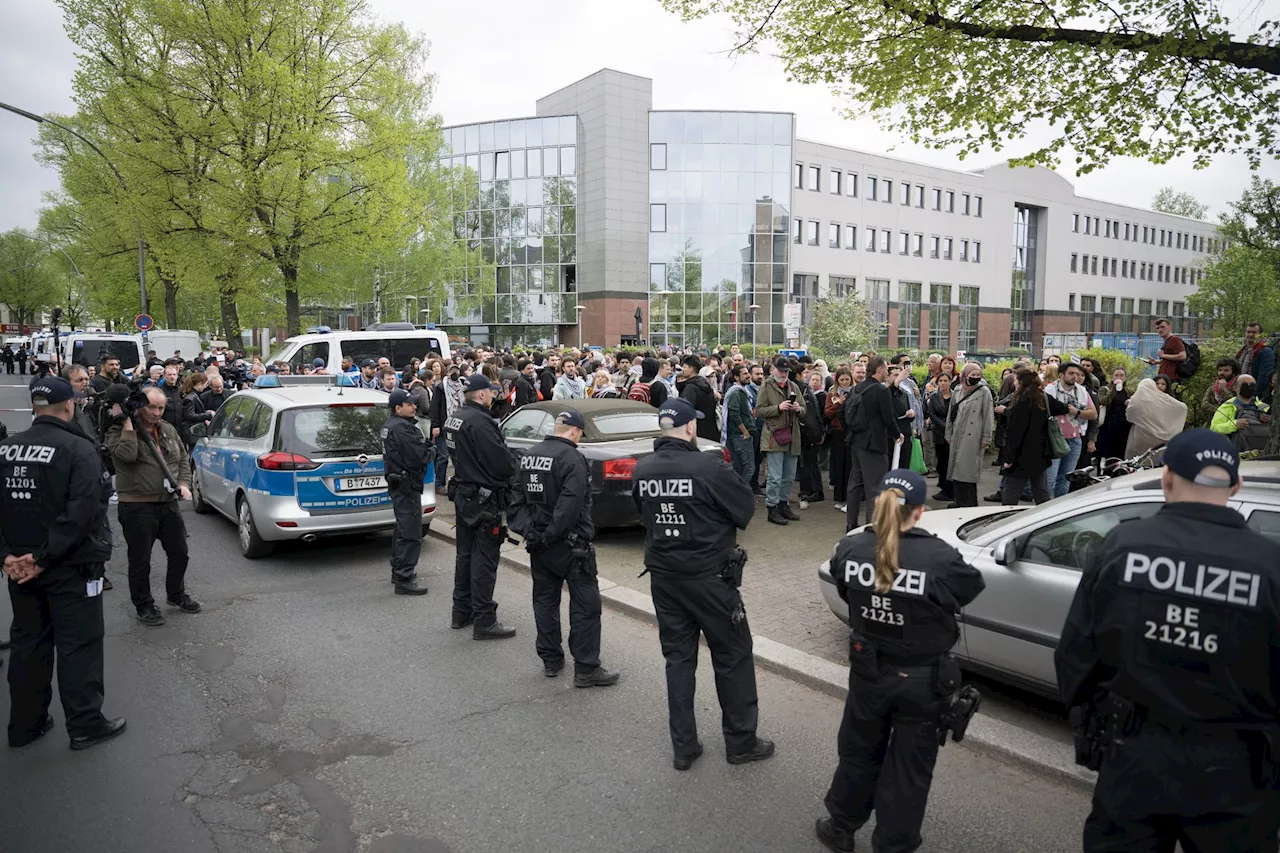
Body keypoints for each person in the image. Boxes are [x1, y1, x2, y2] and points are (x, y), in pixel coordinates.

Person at [1055, 429, 1280, 853]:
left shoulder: (1122, 545)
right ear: (1236, 484)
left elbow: (1075, 656)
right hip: (1238, 768)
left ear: (1167, 477)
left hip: (1135, 751)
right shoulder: (1270, 566)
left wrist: (1094, 729)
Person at [815, 469, 985, 853]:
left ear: (878, 503)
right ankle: (893, 845)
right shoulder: (940, 557)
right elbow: (969, 589)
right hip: (922, 681)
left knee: (859, 753)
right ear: (920, 511)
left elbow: (844, 589)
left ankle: (840, 827)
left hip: (869, 671)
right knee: (909, 770)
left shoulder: (853, 547)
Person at [631, 398, 772, 770]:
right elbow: (744, 509)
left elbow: (641, 515)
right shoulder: (709, 467)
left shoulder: (642, 469)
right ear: (690, 428)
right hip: (710, 580)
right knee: (733, 655)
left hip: (664, 578)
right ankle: (741, 742)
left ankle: (684, 746)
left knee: (678, 660)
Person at [2, 377, 127, 750]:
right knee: (79, 646)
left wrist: (9, 557)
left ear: (33, 407)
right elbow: (85, 511)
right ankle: (86, 724)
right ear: (70, 405)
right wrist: (43, 558)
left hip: (21, 570)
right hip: (71, 567)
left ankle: (25, 724)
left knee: (28, 644)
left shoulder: (6, 449)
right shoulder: (78, 449)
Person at [507, 410, 620, 687]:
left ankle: (551, 659)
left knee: (545, 602)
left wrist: (531, 532)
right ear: (574, 431)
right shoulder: (573, 458)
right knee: (586, 606)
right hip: (571, 546)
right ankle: (586, 667)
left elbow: (516, 501)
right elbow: (570, 505)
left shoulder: (530, 455)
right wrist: (550, 534)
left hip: (539, 545)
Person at [106, 387, 197, 627]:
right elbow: (126, 455)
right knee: (140, 560)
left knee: (179, 552)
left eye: (161, 407)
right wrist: (128, 424)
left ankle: (176, 594)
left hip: (167, 503)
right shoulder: (118, 431)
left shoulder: (167, 429)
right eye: (152, 407)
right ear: (138, 407)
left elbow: (182, 459)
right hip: (136, 506)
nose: (157, 413)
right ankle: (144, 605)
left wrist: (184, 483)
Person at [443, 374, 518, 638]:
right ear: (482, 394)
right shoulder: (480, 422)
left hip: (465, 495)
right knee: (484, 560)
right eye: (492, 391)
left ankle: (461, 611)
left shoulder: (456, 417)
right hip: (484, 499)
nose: (495, 395)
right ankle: (485, 620)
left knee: (465, 556)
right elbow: (502, 463)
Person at [382, 388, 431, 596]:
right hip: (406, 484)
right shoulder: (401, 428)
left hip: (400, 483)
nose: (414, 407)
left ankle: (398, 569)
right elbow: (419, 457)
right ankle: (404, 576)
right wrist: (431, 449)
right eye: (409, 404)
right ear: (397, 408)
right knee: (411, 532)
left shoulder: (393, 425)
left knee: (402, 530)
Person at [845, 356, 900, 531]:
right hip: (874, 444)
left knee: (855, 484)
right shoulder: (881, 390)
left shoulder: (857, 388)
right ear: (880, 370)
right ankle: (873, 526)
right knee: (875, 487)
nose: (886, 373)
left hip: (856, 441)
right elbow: (888, 418)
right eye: (886, 369)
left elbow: (843, 413)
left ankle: (851, 524)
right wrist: (898, 434)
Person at [1000, 369, 1069, 505]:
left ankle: (1006, 520)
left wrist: (1009, 458)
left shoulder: (1021, 401)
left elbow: (1016, 432)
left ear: (1021, 381)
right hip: (1040, 452)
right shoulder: (1043, 397)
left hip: (1022, 454)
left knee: (1011, 491)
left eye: (1015, 379)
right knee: (1041, 491)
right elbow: (1063, 408)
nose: (1014, 382)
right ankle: (1046, 519)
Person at [758, 357, 806, 526]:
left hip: (792, 436)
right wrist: (778, 408)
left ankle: (783, 504)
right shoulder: (766, 385)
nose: (784, 374)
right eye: (781, 371)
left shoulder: (793, 386)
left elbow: (804, 408)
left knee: (788, 476)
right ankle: (772, 508)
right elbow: (759, 411)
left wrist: (797, 409)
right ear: (774, 370)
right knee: (775, 477)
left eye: (786, 371)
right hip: (774, 435)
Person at [1045, 362, 1097, 498]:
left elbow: (1093, 414)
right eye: (1071, 373)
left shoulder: (1082, 391)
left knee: (1066, 478)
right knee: (1049, 479)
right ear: (1061, 375)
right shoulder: (1050, 390)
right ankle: (1046, 512)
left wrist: (1078, 412)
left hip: (1075, 440)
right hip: (1055, 440)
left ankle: (1059, 510)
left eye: (1077, 373)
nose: (1075, 376)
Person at [945, 362, 993, 508]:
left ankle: (969, 502)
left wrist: (986, 437)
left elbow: (988, 416)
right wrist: (948, 432)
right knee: (956, 468)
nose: (975, 378)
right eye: (973, 375)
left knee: (968, 471)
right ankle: (959, 499)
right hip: (957, 433)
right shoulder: (958, 389)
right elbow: (951, 414)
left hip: (973, 436)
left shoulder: (984, 392)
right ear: (965, 375)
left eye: (978, 375)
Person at [1124, 378, 1187, 457]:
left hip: (1141, 439)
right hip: (1154, 441)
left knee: (1136, 462)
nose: (1159, 386)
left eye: (1163, 384)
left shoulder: (1167, 399)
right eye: (1157, 383)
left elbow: (1129, 415)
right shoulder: (1143, 398)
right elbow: (1183, 408)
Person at [1210, 373, 1271, 451]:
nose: (1248, 387)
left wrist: (1271, 421)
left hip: (1264, 450)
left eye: (1252, 385)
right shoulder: (1227, 407)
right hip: (1237, 451)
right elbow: (1214, 428)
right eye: (1244, 384)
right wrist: (1234, 424)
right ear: (1234, 388)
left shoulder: (1264, 407)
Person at [824, 367, 855, 512]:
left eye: (847, 379)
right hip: (838, 432)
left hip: (852, 431)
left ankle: (851, 498)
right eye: (841, 380)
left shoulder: (856, 392)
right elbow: (827, 413)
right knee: (839, 465)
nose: (844, 382)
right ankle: (840, 497)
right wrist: (839, 403)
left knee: (851, 465)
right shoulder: (832, 394)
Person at [722, 364, 756, 487]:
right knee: (749, 468)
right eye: (744, 374)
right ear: (736, 377)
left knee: (740, 467)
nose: (748, 376)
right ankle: (739, 492)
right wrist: (745, 432)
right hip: (740, 436)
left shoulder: (743, 391)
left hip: (740, 435)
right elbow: (734, 414)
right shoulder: (737, 393)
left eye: (748, 373)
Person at [925, 373, 955, 503]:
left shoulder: (956, 396)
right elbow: (932, 414)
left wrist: (951, 427)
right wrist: (945, 425)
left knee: (951, 462)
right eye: (940, 381)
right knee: (941, 462)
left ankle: (952, 489)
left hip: (954, 433)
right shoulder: (934, 397)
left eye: (945, 380)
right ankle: (944, 488)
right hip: (939, 433)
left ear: (950, 382)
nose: (943, 383)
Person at [676, 356, 720, 442]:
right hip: (709, 431)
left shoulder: (690, 388)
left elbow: (686, 412)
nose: (683, 370)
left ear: (691, 369)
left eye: (685, 367)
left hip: (696, 433)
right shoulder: (706, 385)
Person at [1095, 368, 1132, 461]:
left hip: (1124, 425)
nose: (1119, 377)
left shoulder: (1129, 391)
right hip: (1108, 425)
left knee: (1121, 451)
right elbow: (1103, 401)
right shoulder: (1104, 389)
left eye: (1121, 375)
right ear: (1112, 377)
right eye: (1116, 375)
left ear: (1125, 378)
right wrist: (1113, 390)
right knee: (1106, 451)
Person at [1236, 321, 1275, 404]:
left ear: (1260, 334)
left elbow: (1264, 377)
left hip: (1255, 396)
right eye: (1248, 332)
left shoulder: (1266, 351)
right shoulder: (1242, 351)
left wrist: (1253, 395)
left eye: (1254, 332)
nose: (1250, 335)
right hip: (1240, 393)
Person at [1201, 358, 1241, 423]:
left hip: (1231, 421)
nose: (1222, 373)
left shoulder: (1237, 387)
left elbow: (1234, 404)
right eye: (1220, 370)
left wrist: (1223, 389)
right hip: (1213, 420)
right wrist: (1220, 411)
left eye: (1226, 370)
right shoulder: (1213, 387)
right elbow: (1204, 404)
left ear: (1233, 372)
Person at [1150, 317, 1187, 382]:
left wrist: (1163, 355)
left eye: (1162, 327)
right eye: (1157, 328)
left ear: (1170, 327)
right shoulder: (1167, 341)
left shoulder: (1175, 339)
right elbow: (1171, 361)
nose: (1160, 330)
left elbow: (1182, 356)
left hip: (1171, 379)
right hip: (1165, 378)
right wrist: (1156, 362)